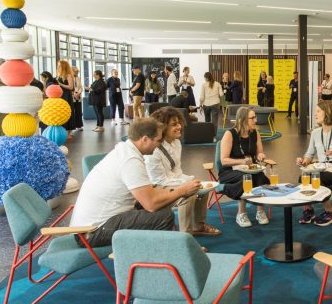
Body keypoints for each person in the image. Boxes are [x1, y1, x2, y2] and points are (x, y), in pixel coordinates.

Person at [69, 118, 202, 248]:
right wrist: (181, 191)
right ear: (144, 139)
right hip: (92, 232)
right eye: (158, 140)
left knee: (160, 207)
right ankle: (166, 256)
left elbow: (149, 195)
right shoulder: (130, 160)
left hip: (92, 226)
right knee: (163, 216)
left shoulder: (125, 150)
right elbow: (151, 204)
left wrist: (175, 191)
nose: (159, 145)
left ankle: (178, 248)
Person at [146, 107, 220, 236]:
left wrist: (190, 181)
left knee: (201, 186)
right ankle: (185, 237)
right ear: (162, 127)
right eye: (174, 124)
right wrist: (185, 185)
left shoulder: (176, 143)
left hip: (169, 182)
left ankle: (198, 225)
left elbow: (177, 170)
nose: (179, 126)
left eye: (179, 122)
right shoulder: (154, 150)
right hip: (154, 188)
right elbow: (158, 180)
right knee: (189, 194)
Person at [296, 101, 332, 227]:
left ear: (326, 113)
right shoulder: (316, 133)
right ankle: (309, 210)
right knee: (303, 178)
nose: (315, 114)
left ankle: (330, 213)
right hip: (322, 167)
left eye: (318, 111)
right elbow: (309, 154)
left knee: (317, 178)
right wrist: (304, 161)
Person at [217, 107, 270, 227]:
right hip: (229, 171)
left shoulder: (255, 133)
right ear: (243, 120)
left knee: (261, 177)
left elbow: (259, 153)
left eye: (255, 117)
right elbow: (224, 161)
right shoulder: (230, 134)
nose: (255, 120)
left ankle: (260, 212)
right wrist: (242, 162)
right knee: (246, 178)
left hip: (249, 168)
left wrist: (261, 156)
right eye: (252, 118)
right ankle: (241, 213)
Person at [56, 60, 76, 141]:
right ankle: (63, 131)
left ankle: (69, 132)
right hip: (61, 95)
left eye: (59, 65)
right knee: (61, 113)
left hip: (66, 95)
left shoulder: (68, 75)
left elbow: (71, 87)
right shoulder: (59, 76)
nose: (58, 67)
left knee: (67, 112)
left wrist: (60, 84)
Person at [72, 66, 84, 132]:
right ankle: (72, 126)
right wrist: (74, 94)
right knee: (72, 112)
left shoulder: (78, 78)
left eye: (77, 71)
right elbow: (70, 87)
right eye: (75, 71)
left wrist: (78, 93)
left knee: (78, 111)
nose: (77, 72)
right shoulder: (69, 78)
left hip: (78, 97)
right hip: (72, 97)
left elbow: (81, 87)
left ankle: (79, 126)